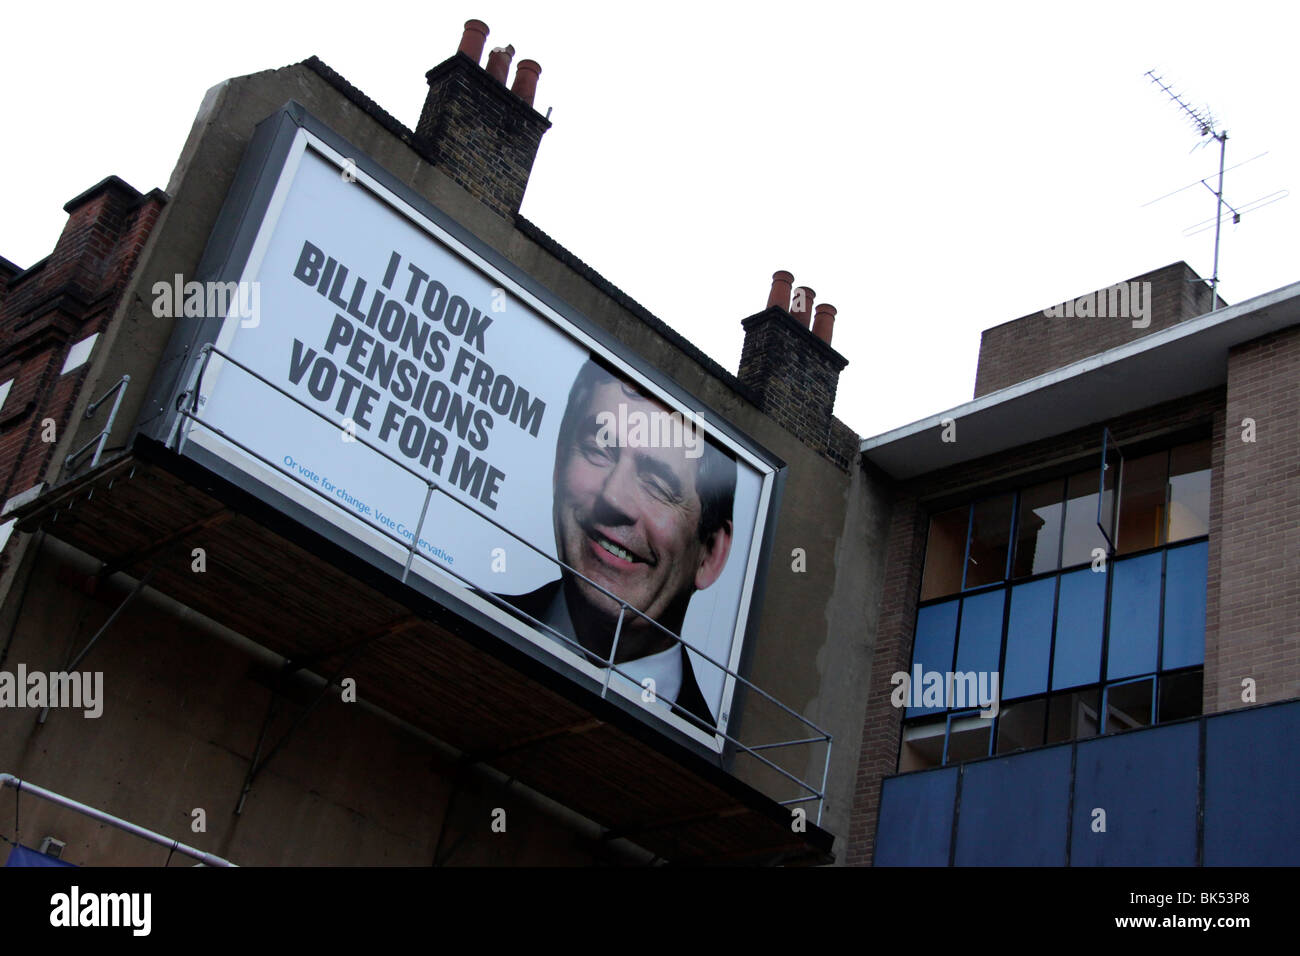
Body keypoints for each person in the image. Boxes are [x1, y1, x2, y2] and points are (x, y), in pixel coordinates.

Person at [502, 355, 736, 729]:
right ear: (559, 461)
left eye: (658, 484)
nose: (613, 498)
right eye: (598, 450)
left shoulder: (715, 756)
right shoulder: (449, 627)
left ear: (710, 554)